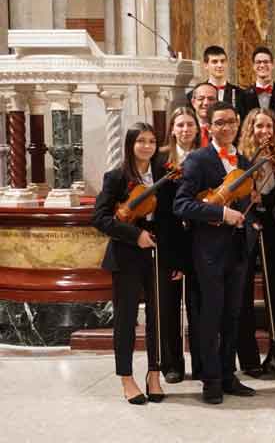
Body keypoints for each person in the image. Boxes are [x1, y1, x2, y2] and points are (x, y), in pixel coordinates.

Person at [174, 101, 256, 404]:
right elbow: (181, 205)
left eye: (231, 122)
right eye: (220, 122)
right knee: (210, 316)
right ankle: (210, 380)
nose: (226, 127)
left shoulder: (244, 160)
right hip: (208, 251)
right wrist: (222, 214)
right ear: (208, 127)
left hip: (238, 249)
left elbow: (245, 202)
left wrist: (251, 219)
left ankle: (227, 375)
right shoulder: (198, 160)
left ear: (237, 125)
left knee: (232, 315)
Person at [92, 122, 167, 405]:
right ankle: (126, 377)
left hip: (158, 254)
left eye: (151, 141)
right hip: (126, 255)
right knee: (125, 320)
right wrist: (136, 235)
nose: (146, 146)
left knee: (157, 318)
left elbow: (170, 217)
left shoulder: (164, 175)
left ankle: (154, 373)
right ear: (130, 145)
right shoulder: (116, 177)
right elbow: (100, 218)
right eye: (141, 141)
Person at [236, 108, 275, 375]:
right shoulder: (240, 159)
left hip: (274, 229)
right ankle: (247, 358)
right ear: (250, 129)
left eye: (269, 127)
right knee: (242, 294)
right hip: (245, 229)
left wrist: (266, 203)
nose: (264, 132)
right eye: (258, 127)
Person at [156, 107, 201, 384]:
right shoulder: (161, 160)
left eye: (190, 124)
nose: (185, 129)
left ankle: (202, 362)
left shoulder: (205, 156)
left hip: (198, 240)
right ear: (172, 129)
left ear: (197, 128)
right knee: (169, 306)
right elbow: (160, 208)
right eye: (180, 125)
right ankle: (171, 364)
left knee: (198, 305)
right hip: (170, 239)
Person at [238, 46, 275, 119]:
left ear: (273, 65)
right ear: (253, 66)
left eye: (266, 62)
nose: (262, 65)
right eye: (258, 62)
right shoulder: (243, 95)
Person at [190, 82, 218, 147]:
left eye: (211, 99)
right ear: (193, 102)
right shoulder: (185, 129)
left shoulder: (223, 129)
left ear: (216, 102)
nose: (206, 103)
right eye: (201, 99)